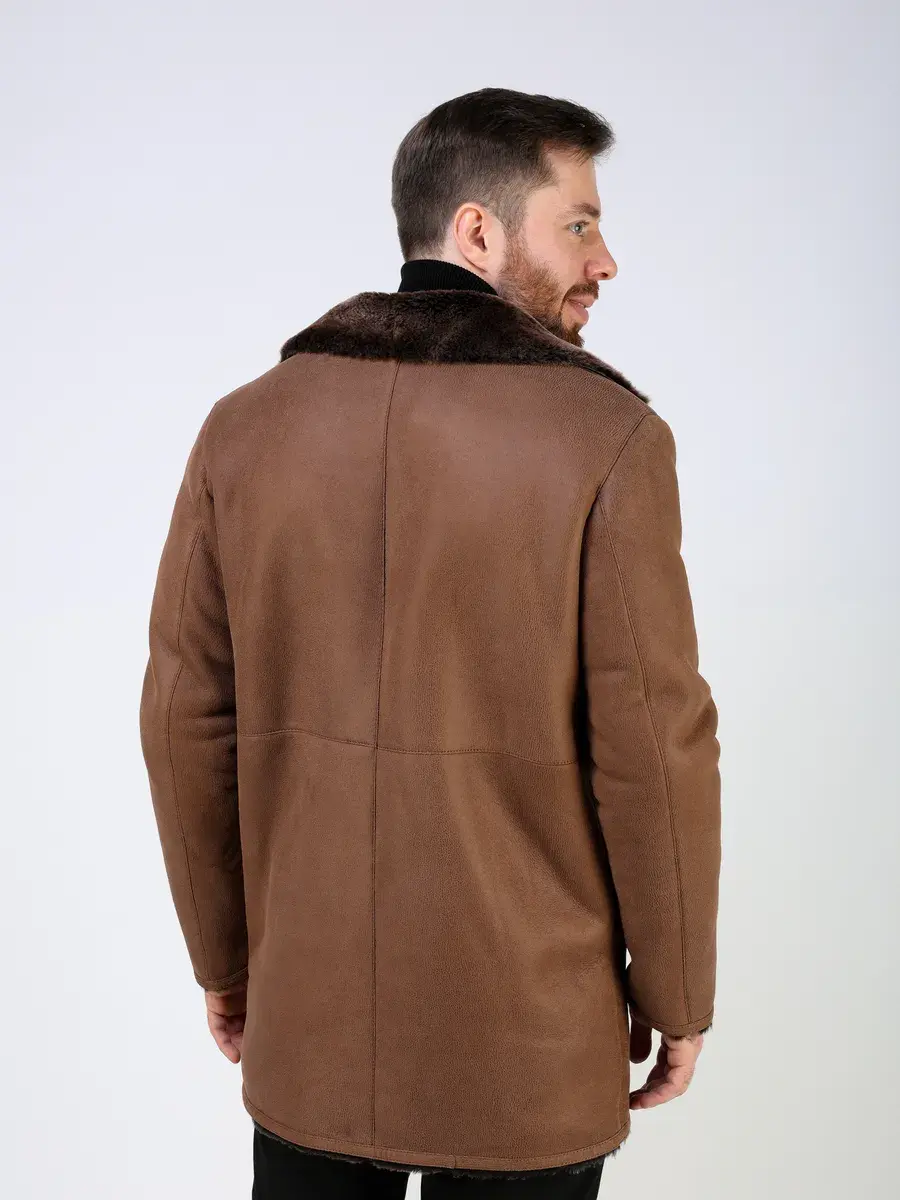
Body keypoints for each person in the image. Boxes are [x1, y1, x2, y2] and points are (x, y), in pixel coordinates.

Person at [139, 87, 722, 1199]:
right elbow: (657, 749)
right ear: (477, 232)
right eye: (580, 224)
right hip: (526, 1039)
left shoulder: (246, 425)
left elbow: (181, 722)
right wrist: (677, 991)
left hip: (309, 1015)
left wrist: (226, 957)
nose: (606, 262)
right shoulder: (607, 438)